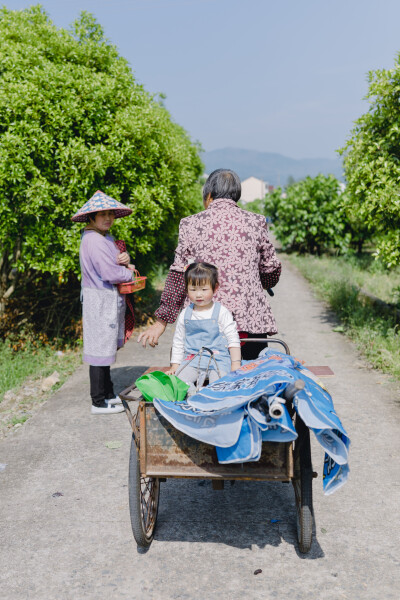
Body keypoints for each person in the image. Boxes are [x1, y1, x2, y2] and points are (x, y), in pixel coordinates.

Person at [138, 169, 281, 359]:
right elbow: (271, 268)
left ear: (209, 195)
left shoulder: (190, 224)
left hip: (204, 323)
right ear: (236, 196)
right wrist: (264, 282)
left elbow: (179, 274)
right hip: (248, 325)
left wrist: (161, 322)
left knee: (204, 379)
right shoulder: (256, 221)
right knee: (249, 380)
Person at [72, 190, 135, 415]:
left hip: (104, 298)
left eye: (110, 214)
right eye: (102, 214)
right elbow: (109, 272)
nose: (107, 218)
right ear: (91, 217)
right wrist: (130, 274)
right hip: (99, 300)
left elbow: (115, 262)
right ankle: (97, 401)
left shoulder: (102, 237)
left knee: (104, 347)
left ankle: (107, 395)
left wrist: (125, 260)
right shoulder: (93, 240)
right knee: (99, 350)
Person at [166, 262, 241, 389]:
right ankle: (193, 394)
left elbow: (233, 339)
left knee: (220, 384)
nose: (198, 294)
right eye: (193, 289)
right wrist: (175, 365)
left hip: (218, 360)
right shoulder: (185, 314)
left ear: (215, 288)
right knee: (178, 382)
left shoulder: (221, 312)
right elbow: (178, 341)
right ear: (186, 289)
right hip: (192, 360)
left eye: (204, 289)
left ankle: (208, 395)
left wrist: (235, 363)